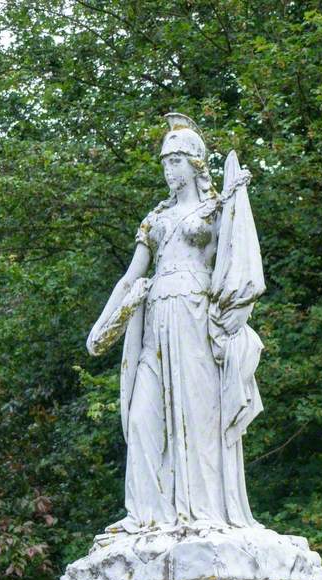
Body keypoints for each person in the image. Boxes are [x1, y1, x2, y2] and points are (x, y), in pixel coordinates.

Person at [87, 114, 265, 534]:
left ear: (195, 164)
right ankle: (145, 514)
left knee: (198, 417)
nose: (169, 170)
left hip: (195, 321)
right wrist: (102, 324)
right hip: (154, 322)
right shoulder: (156, 219)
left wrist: (236, 203)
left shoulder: (216, 210)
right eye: (165, 162)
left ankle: (204, 510)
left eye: (176, 161)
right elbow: (130, 277)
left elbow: (237, 263)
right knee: (141, 418)